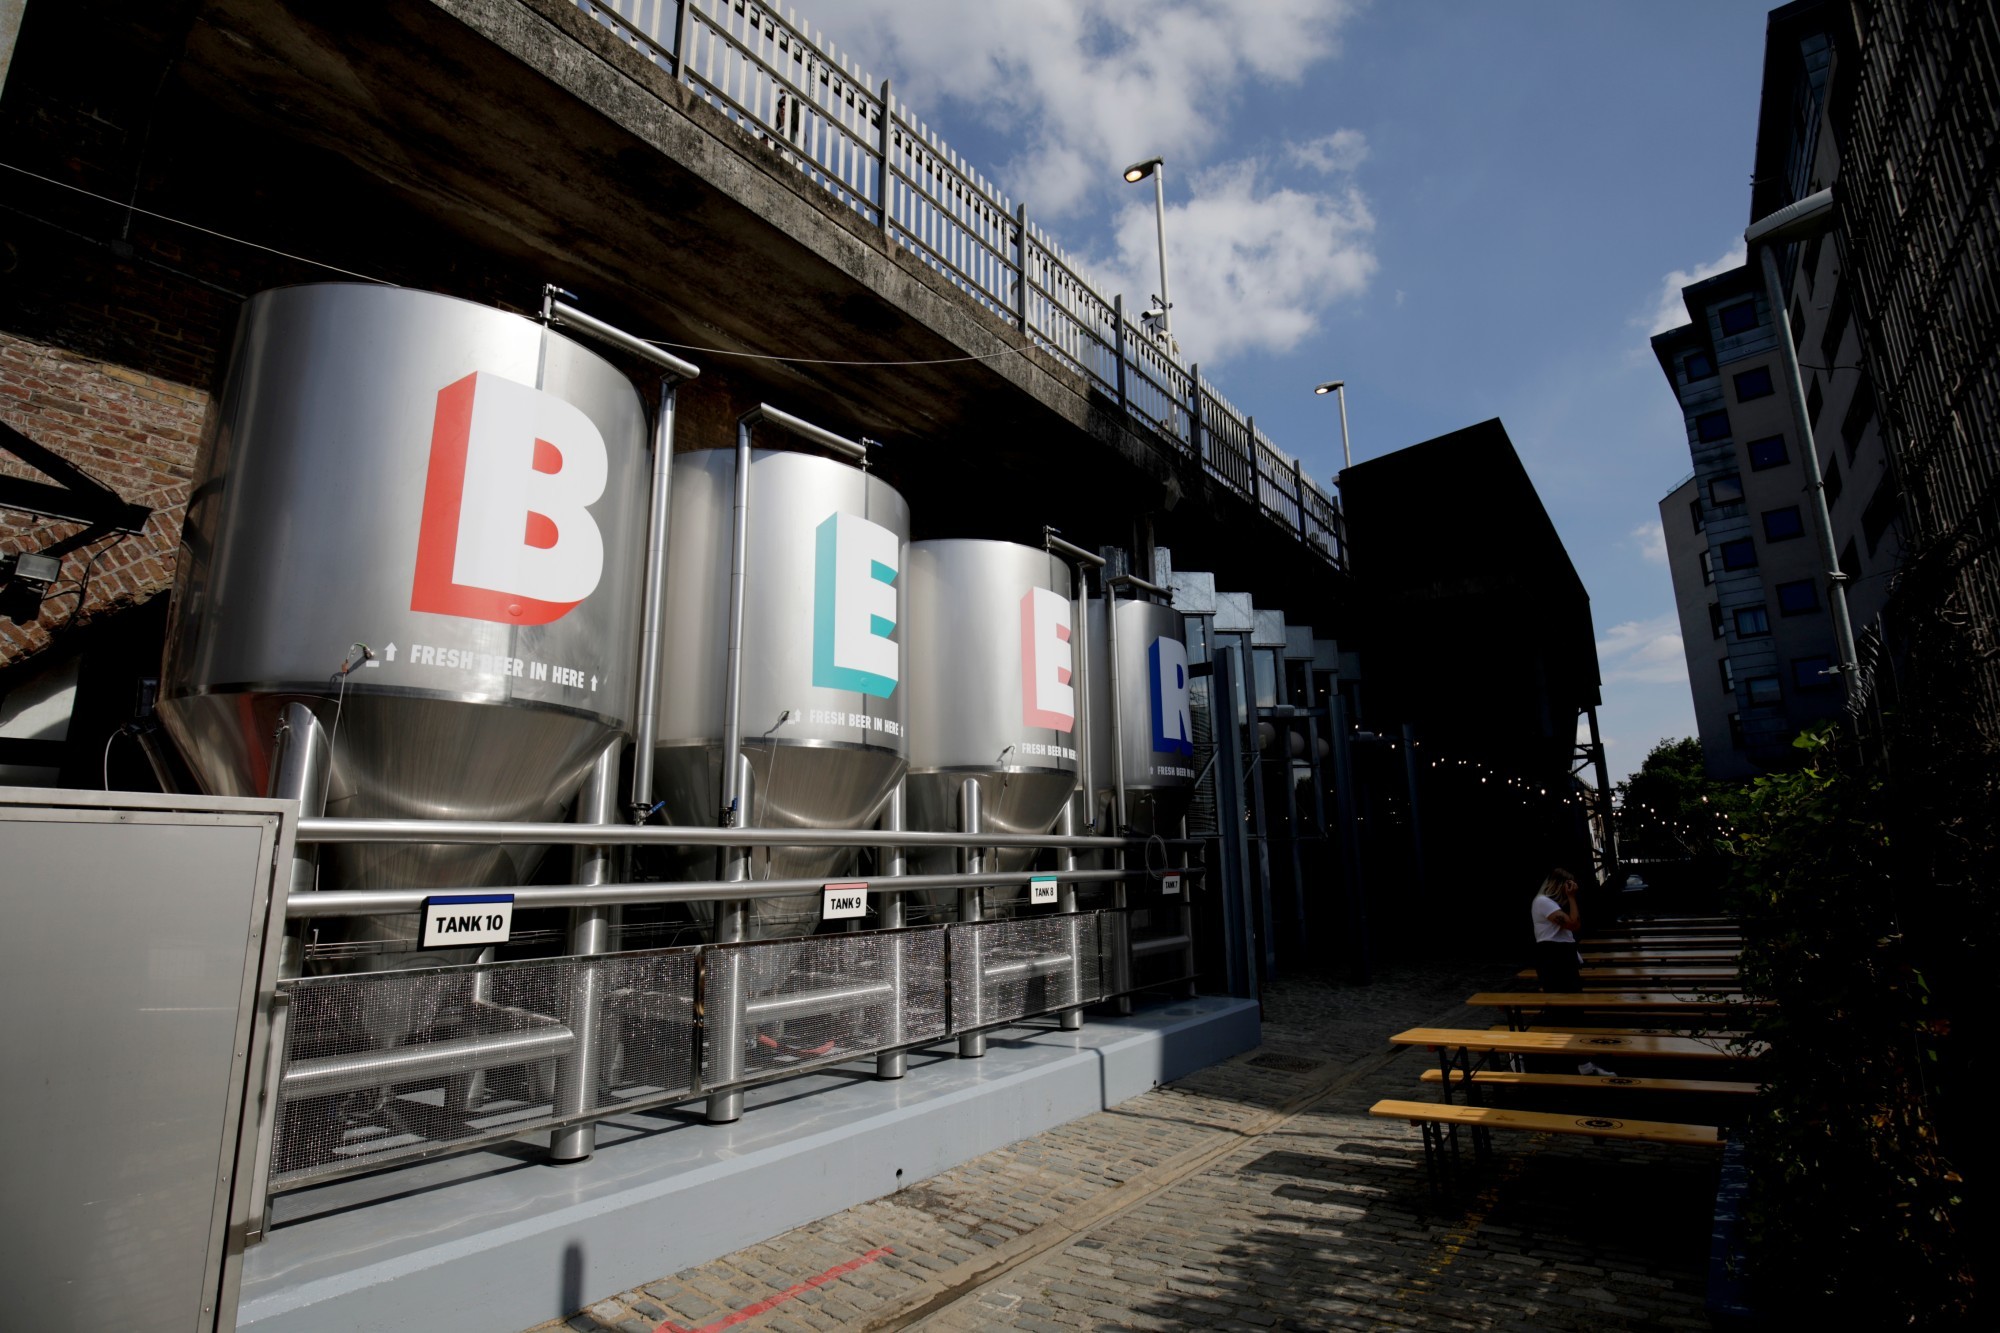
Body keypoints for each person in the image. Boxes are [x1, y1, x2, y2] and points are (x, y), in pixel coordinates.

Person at [1529, 867, 1616, 1076]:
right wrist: (1572, 898)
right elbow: (1575, 924)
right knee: (1563, 1013)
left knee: (1573, 1012)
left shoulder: (1551, 903)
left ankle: (1583, 1063)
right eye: (1568, 885)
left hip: (1561, 958)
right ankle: (1530, 1057)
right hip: (1555, 960)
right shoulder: (1544, 902)